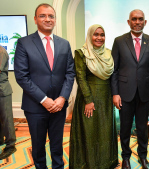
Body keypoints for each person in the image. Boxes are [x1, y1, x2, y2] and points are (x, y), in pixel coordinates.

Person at [14, 3, 75, 169]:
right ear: (35, 19)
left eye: (51, 16)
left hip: (59, 106)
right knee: (38, 147)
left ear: (55, 20)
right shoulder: (24, 43)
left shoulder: (64, 44)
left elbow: (70, 73)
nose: (47, 19)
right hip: (35, 107)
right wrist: (44, 99)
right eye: (43, 16)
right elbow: (22, 76)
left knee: (57, 146)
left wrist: (62, 98)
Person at [111, 9, 149, 169]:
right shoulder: (119, 41)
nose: (137, 22)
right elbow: (114, 70)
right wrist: (115, 93)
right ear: (129, 22)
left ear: (145, 22)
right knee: (124, 128)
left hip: (145, 94)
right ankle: (125, 157)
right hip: (124, 93)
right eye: (134, 19)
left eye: (140, 19)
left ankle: (143, 157)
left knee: (142, 128)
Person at [69, 24, 118, 169]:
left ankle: (105, 162)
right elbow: (80, 78)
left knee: (104, 131)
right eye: (95, 34)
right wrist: (88, 100)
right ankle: (88, 164)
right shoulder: (81, 53)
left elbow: (113, 77)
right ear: (90, 36)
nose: (99, 38)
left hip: (106, 99)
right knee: (89, 132)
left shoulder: (109, 54)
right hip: (88, 99)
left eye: (102, 35)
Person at [0, 46, 16, 159]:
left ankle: (11, 145)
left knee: (7, 119)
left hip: (2, 90)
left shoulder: (1, 52)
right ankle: (0, 140)